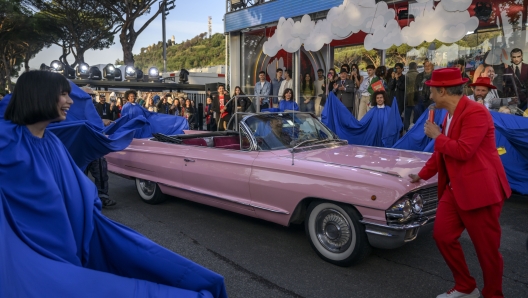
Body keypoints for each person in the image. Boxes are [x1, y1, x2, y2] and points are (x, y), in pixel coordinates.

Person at [0, 70, 227, 297]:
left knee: (181, 274)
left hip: (79, 235)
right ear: (39, 95)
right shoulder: (7, 141)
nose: (69, 101)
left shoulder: (51, 141)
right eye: (63, 94)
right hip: (28, 254)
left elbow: (76, 188)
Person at [409, 68, 511, 298]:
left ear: (443, 91)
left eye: (432, 90)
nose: (430, 95)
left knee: (487, 252)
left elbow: (463, 151)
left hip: (480, 192)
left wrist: (437, 136)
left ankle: (493, 294)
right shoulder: (449, 114)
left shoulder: (476, 113)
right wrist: (422, 174)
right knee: (443, 236)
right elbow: (441, 154)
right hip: (454, 189)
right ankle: (466, 286)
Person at [404, 62, 419, 131]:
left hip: (407, 99)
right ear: (415, 67)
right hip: (416, 99)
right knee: (416, 116)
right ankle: (415, 130)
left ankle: (407, 130)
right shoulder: (419, 75)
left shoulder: (406, 75)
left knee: (407, 117)